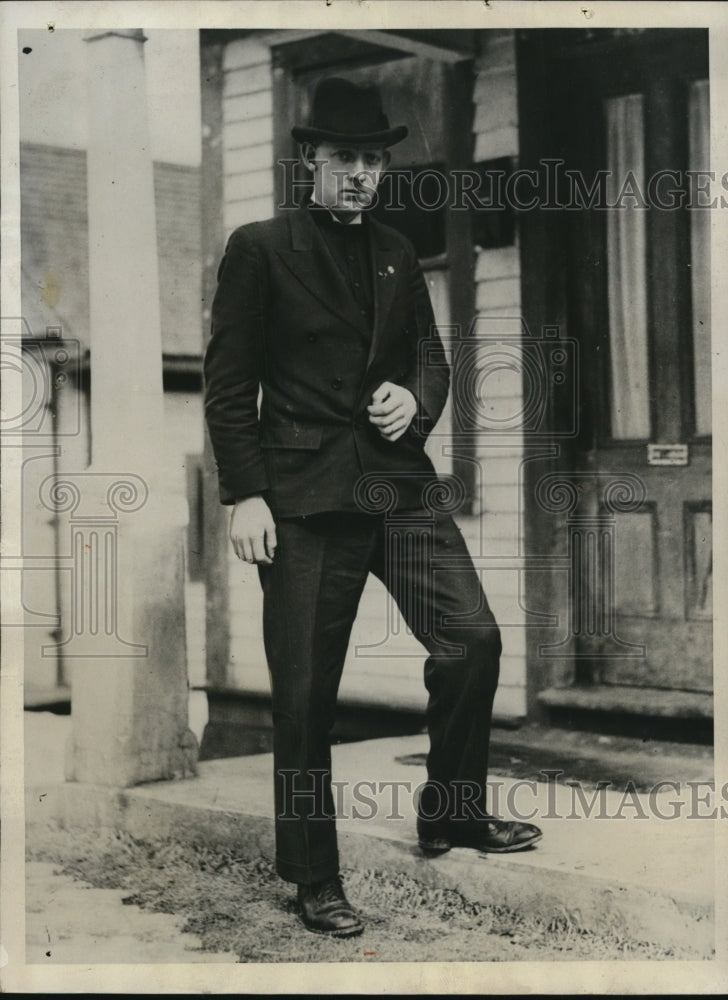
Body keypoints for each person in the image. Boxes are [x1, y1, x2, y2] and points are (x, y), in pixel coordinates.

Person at [204, 77, 542, 938]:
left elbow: (432, 358)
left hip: (397, 483)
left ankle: (453, 809)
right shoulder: (259, 248)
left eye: (372, 160)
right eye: (344, 158)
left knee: (472, 637)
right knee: (309, 692)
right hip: (304, 499)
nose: (359, 174)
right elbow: (228, 386)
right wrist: (246, 493)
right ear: (310, 161)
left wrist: (415, 401)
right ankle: (314, 876)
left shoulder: (396, 248)